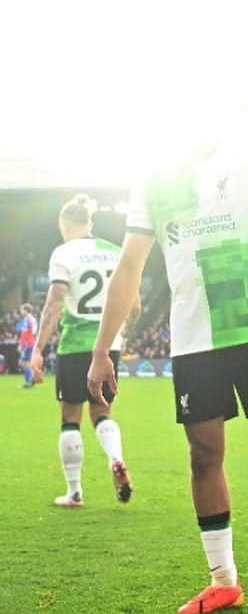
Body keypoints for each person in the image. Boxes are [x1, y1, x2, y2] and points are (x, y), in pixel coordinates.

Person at [86, 148, 248, 614]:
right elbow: (129, 268)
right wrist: (103, 349)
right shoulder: (153, 181)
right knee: (203, 456)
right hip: (194, 339)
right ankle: (223, 582)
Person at [31, 195, 135, 507]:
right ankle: (115, 457)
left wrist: (37, 349)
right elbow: (135, 304)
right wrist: (122, 336)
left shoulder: (63, 253)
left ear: (64, 224)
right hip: (108, 344)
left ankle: (75, 492)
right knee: (102, 411)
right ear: (90, 223)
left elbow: (55, 303)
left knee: (70, 415)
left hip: (75, 345)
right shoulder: (114, 252)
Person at [16, 304, 38, 389]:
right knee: (26, 363)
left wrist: (21, 345)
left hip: (27, 344)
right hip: (32, 342)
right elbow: (34, 332)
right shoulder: (33, 319)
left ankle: (29, 382)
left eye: (22, 310)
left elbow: (24, 334)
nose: (21, 312)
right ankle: (31, 380)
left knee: (23, 363)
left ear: (26, 310)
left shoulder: (27, 319)